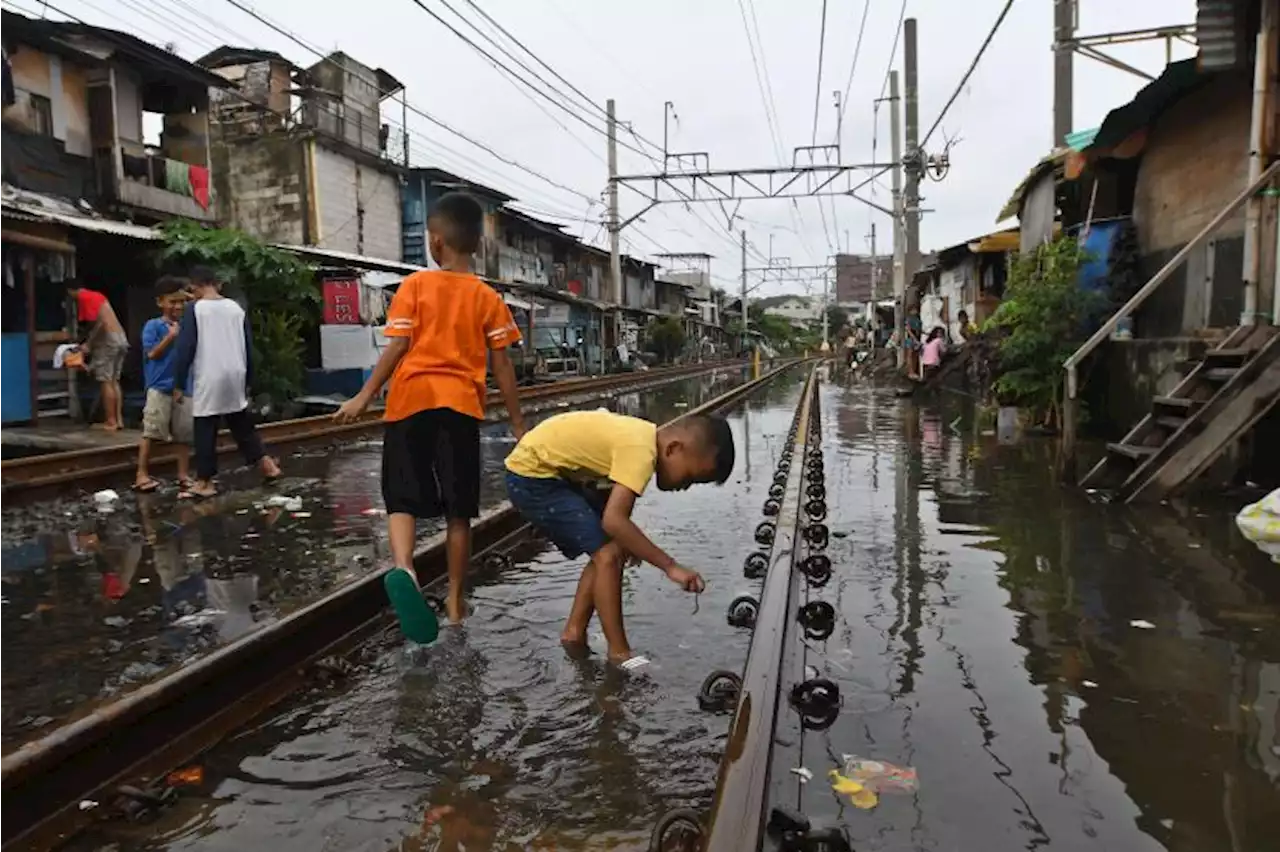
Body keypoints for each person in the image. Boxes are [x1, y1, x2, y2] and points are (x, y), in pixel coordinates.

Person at [333, 191, 526, 639]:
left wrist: (364, 395)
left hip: (409, 402)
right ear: (476, 244)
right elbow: (502, 365)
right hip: (459, 407)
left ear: (436, 243)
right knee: (459, 512)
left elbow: (397, 346)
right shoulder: (487, 298)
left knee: (401, 497)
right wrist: (517, 423)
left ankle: (406, 569)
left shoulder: (414, 287)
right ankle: (457, 604)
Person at [504, 409, 735, 669]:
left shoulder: (642, 438)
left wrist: (628, 543)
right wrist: (670, 566)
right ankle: (620, 654)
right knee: (608, 555)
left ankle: (574, 633)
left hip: (546, 470)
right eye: (690, 477)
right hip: (533, 476)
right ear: (673, 449)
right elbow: (614, 520)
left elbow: (617, 522)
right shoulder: (641, 452)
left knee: (610, 551)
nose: (685, 487)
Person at [172, 265, 281, 499]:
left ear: (194, 286)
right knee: (240, 423)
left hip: (210, 374)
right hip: (236, 373)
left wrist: (179, 382)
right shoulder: (235, 308)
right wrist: (248, 378)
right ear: (217, 283)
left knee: (205, 426)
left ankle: (205, 482)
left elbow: (185, 348)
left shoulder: (195, 309)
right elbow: (248, 347)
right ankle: (268, 466)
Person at [134, 276, 193, 493]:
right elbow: (152, 354)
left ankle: (183, 474)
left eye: (181, 301)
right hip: (159, 386)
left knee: (184, 434)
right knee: (151, 431)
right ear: (160, 302)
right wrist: (170, 337)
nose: (177, 306)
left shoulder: (188, 325)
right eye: (172, 301)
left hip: (185, 386)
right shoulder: (153, 325)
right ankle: (141, 473)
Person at [67, 279, 128, 430]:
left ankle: (111, 421)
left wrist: (89, 344)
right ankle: (118, 420)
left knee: (105, 381)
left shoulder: (84, 298)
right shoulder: (97, 296)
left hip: (108, 341)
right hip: (120, 338)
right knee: (114, 380)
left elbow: (101, 323)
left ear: (70, 291)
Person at [904, 304, 923, 380]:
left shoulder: (917, 319)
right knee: (910, 355)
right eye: (913, 310)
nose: (915, 311)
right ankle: (910, 372)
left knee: (915, 355)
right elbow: (908, 330)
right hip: (910, 338)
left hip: (917, 338)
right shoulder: (908, 319)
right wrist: (914, 338)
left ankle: (914, 371)